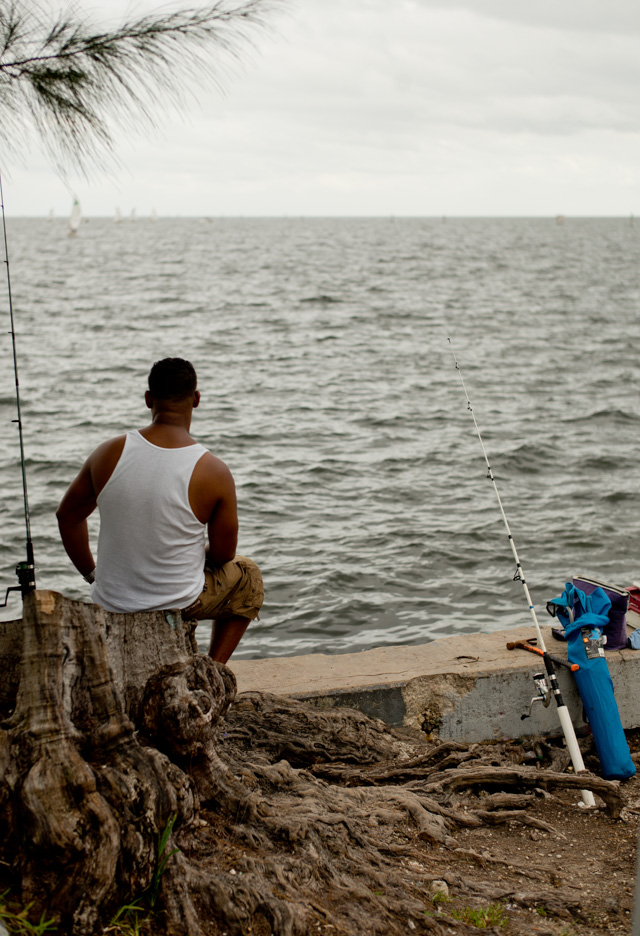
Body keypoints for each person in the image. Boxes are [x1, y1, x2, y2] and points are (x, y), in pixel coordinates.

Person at [56, 357, 263, 663]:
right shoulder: (214, 471)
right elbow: (223, 555)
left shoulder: (109, 452)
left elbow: (67, 517)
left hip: (111, 600)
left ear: (148, 398)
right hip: (178, 601)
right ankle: (214, 669)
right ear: (196, 399)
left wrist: (92, 574)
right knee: (248, 576)